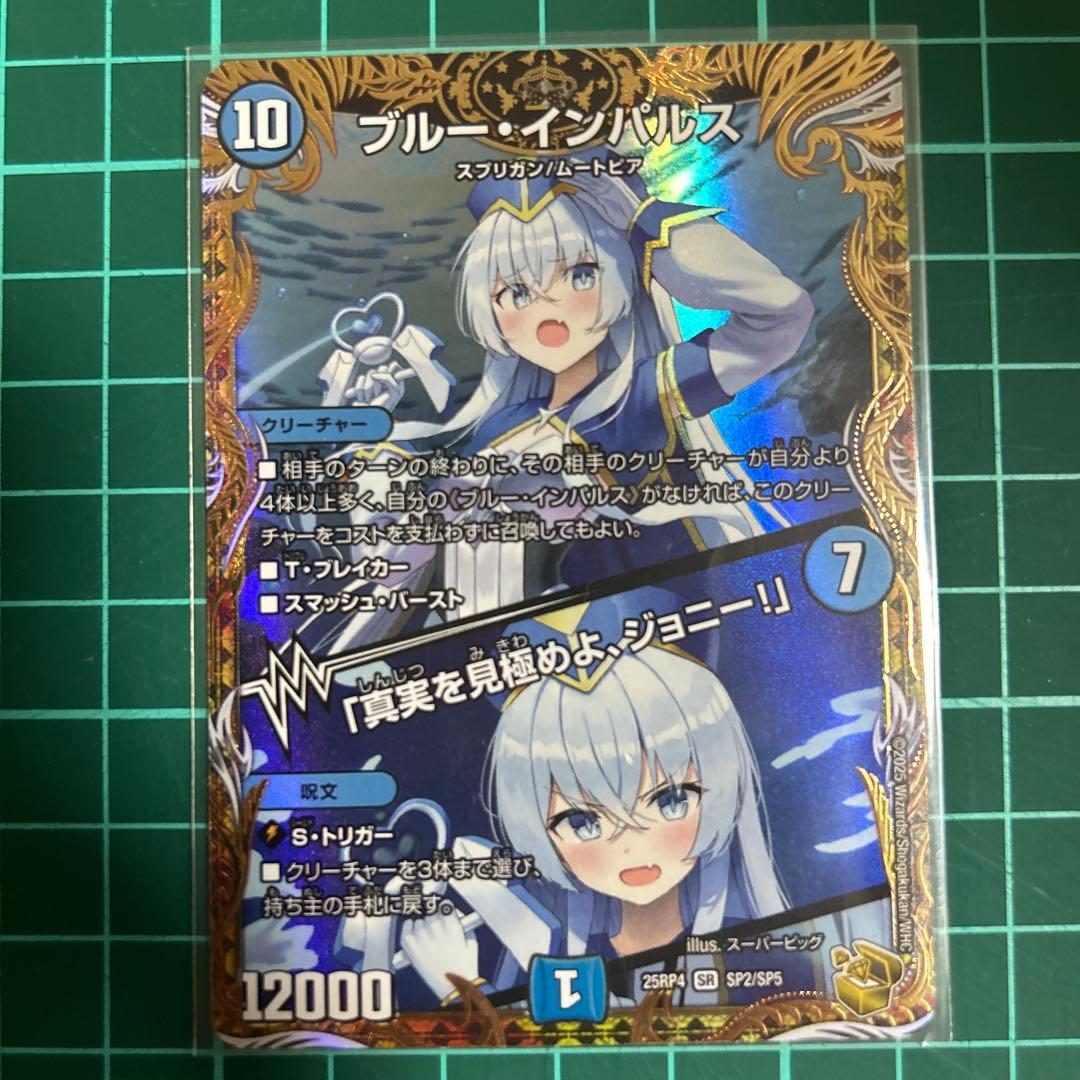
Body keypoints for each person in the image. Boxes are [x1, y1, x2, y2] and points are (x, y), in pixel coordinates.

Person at [307, 159, 814, 654]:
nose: (548, 311)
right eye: (517, 292)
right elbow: (400, 556)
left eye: (580, 275)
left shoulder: (640, 396)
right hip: (501, 670)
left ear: (619, 273)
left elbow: (780, 314)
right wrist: (372, 443)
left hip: (633, 654)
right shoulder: (502, 426)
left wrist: (644, 220)